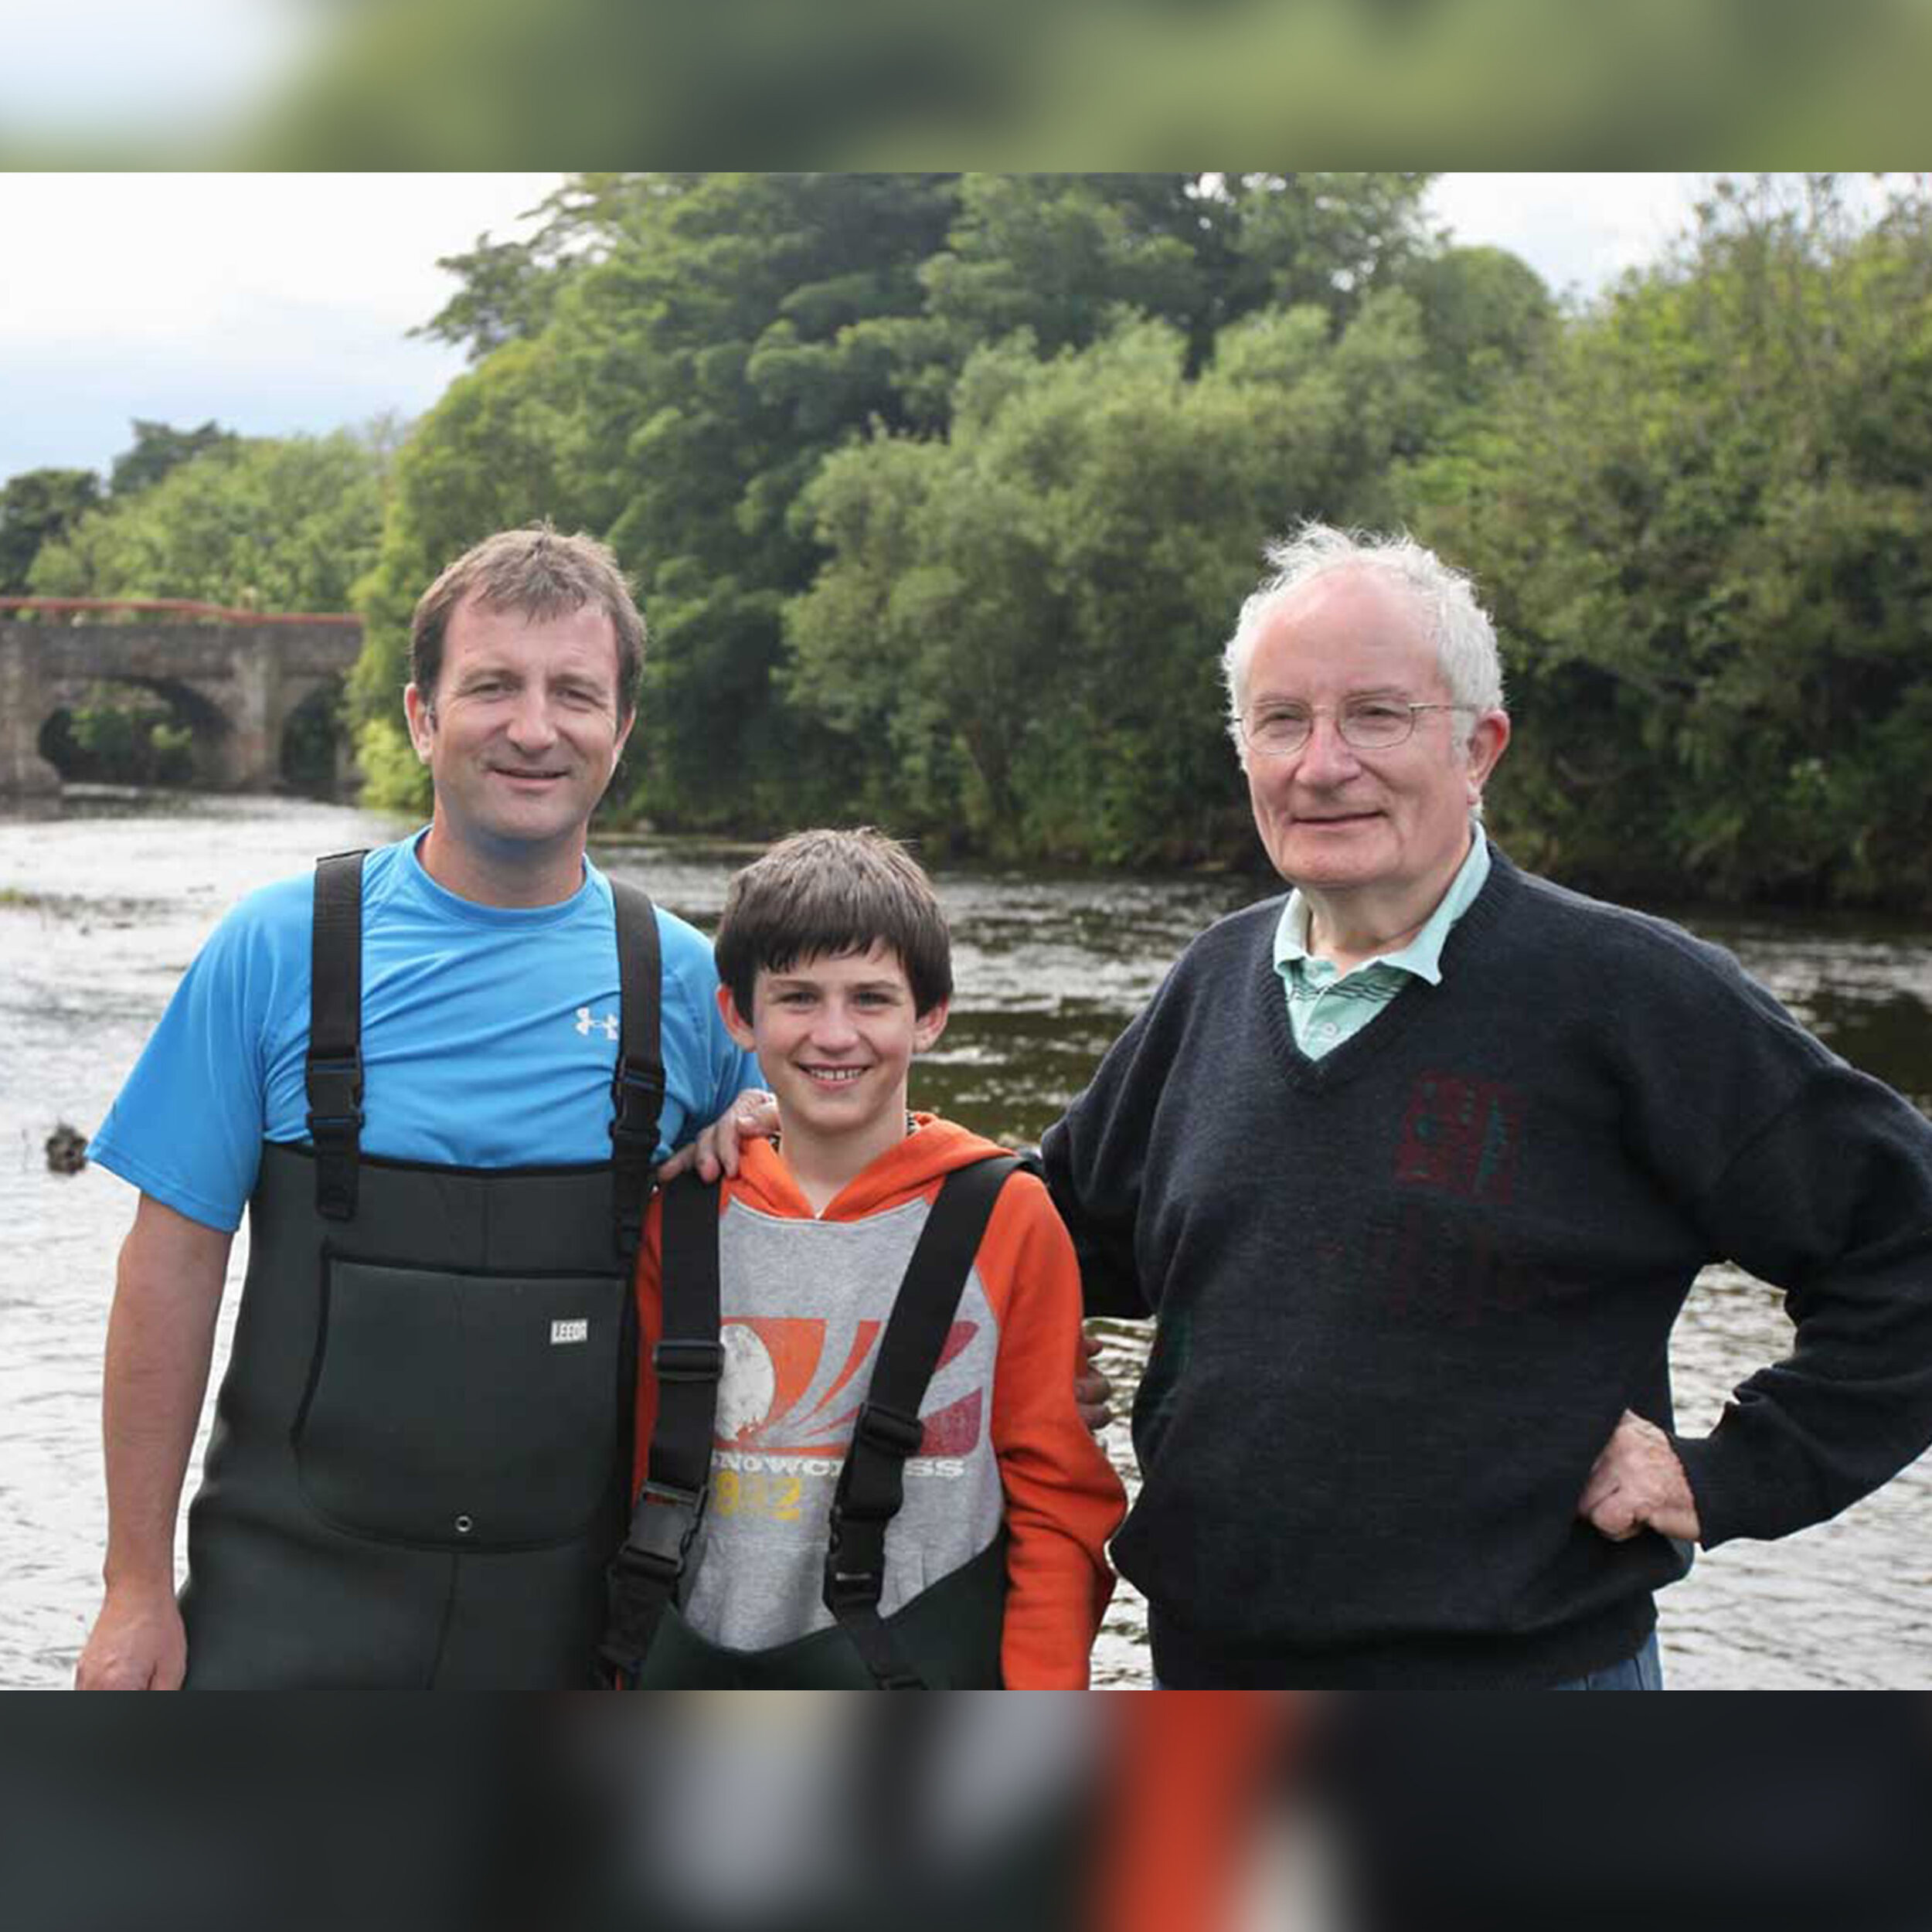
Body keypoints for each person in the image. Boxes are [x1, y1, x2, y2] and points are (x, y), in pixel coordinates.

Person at [1036, 521, 1932, 1688]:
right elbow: (1058, 1233)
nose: (1322, 763)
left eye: (1376, 714)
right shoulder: (1214, 982)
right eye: (1283, 720)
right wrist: (801, 1153)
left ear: (1480, 747)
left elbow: (1907, 1245)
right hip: (1216, 1671)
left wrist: (1728, 1473)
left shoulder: (1626, 995)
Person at [74, 525, 760, 1689]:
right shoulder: (275, 948)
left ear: (621, 729)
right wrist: (134, 1587)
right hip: (280, 1607)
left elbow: (856, 1228)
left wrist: (1015, 1343)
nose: (534, 728)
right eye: (492, 686)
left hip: (582, 1618)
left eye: (573, 694)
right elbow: (169, 1272)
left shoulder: (699, 987)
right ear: (420, 717)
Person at [600, 828, 1123, 1688]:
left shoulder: (1010, 1218)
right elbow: (639, 1485)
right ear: (738, 1015)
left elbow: (1059, 1510)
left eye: (872, 999)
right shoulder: (685, 1216)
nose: (834, 1035)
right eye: (798, 997)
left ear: (931, 1015)